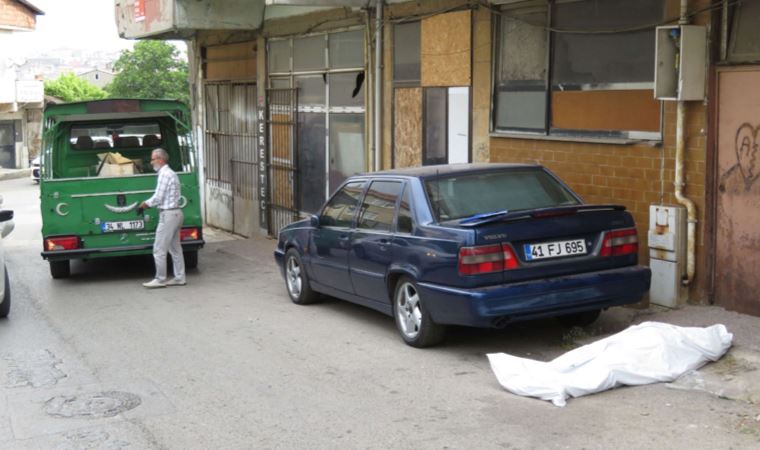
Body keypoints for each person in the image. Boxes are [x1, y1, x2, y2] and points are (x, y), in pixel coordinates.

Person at [140, 148, 186, 288]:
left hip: (168, 215)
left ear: (160, 159)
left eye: (153, 159)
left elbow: (158, 197)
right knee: (175, 248)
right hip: (176, 213)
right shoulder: (171, 173)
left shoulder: (164, 174)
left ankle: (160, 279)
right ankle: (179, 277)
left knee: (159, 249)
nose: (151, 162)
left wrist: (145, 204)